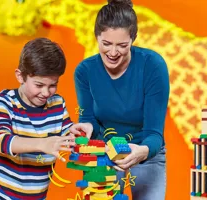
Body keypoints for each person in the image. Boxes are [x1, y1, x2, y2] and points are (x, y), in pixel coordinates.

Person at [70, 0, 170, 199]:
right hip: (103, 151)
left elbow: (154, 133)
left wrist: (142, 151)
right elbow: (89, 117)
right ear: (96, 37)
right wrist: (87, 128)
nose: (113, 53)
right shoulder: (84, 71)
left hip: (145, 152)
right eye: (106, 44)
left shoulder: (153, 66)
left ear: (133, 39)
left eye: (122, 45)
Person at [0, 38, 93, 200]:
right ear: (20, 76)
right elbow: (0, 140)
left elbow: (66, 136)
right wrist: (42, 143)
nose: (46, 93)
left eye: (53, 85)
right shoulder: (4, 101)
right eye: (39, 85)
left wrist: (77, 132)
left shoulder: (57, 103)